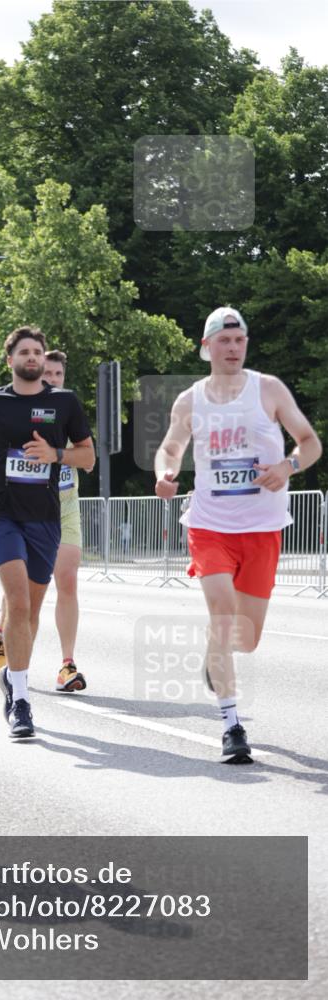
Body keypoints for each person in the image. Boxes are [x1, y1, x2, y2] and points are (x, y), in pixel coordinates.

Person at [155, 306, 321, 762]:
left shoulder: (268, 389)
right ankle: (231, 726)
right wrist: (166, 473)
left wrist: (287, 466)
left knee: (245, 638)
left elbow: (310, 442)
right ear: (206, 346)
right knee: (223, 613)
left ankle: (215, 658)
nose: (232, 348)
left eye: (239, 340)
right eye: (223, 341)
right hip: (210, 524)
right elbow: (171, 446)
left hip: (263, 528)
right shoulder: (190, 400)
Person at [0, 326, 94, 739]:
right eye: (25, 352)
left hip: (46, 518)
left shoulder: (64, 403)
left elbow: (87, 456)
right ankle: (21, 700)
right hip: (1, 513)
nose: (32, 357)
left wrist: (56, 454)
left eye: (37, 351)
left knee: (31, 612)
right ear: (10, 359)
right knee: (16, 604)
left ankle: (11, 676)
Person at [0, 349, 94, 692]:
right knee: (25, 595)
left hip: (64, 505)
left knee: (68, 580)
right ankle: (6, 632)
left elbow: (89, 460)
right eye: (46, 373)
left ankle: (67, 664)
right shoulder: (16, 411)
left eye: (58, 374)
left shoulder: (67, 410)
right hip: (23, 509)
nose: (52, 379)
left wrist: (60, 454)